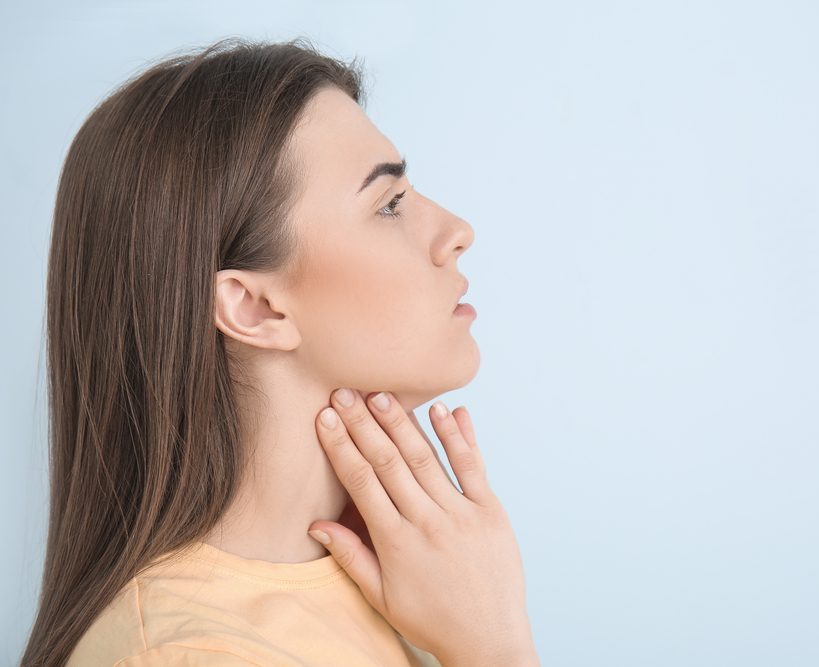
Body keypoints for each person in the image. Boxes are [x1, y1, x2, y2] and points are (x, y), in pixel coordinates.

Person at [20, 36, 539, 667]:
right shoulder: (190, 654)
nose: (457, 232)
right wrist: (496, 646)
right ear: (254, 307)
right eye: (389, 205)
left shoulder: (406, 578)